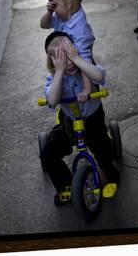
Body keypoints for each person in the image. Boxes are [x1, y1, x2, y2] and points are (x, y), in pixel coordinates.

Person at [40, 32, 119, 205]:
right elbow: (52, 101)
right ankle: (66, 187)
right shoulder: (53, 78)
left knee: (104, 152)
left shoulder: (84, 67)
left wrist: (78, 59)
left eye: (70, 55)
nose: (69, 63)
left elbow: (100, 77)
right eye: (63, 59)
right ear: (53, 63)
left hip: (93, 118)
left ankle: (111, 173)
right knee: (48, 153)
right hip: (69, 121)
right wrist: (59, 72)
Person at [40, 0, 94, 103]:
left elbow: (85, 60)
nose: (52, 5)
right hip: (63, 68)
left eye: (55, 3)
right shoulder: (61, 15)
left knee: (89, 117)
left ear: (69, 4)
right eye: (50, 1)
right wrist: (49, 12)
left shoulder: (81, 30)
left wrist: (87, 90)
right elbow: (43, 25)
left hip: (79, 74)